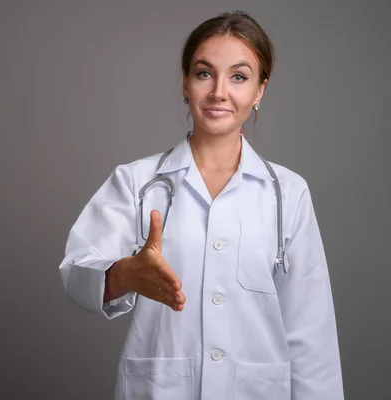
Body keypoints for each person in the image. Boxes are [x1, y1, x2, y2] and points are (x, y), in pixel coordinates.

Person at [58, 10, 344, 400]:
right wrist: (124, 274)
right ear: (185, 83)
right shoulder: (136, 182)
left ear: (260, 90)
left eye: (239, 77)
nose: (219, 92)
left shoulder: (288, 193)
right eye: (204, 73)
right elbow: (76, 273)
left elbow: (312, 334)